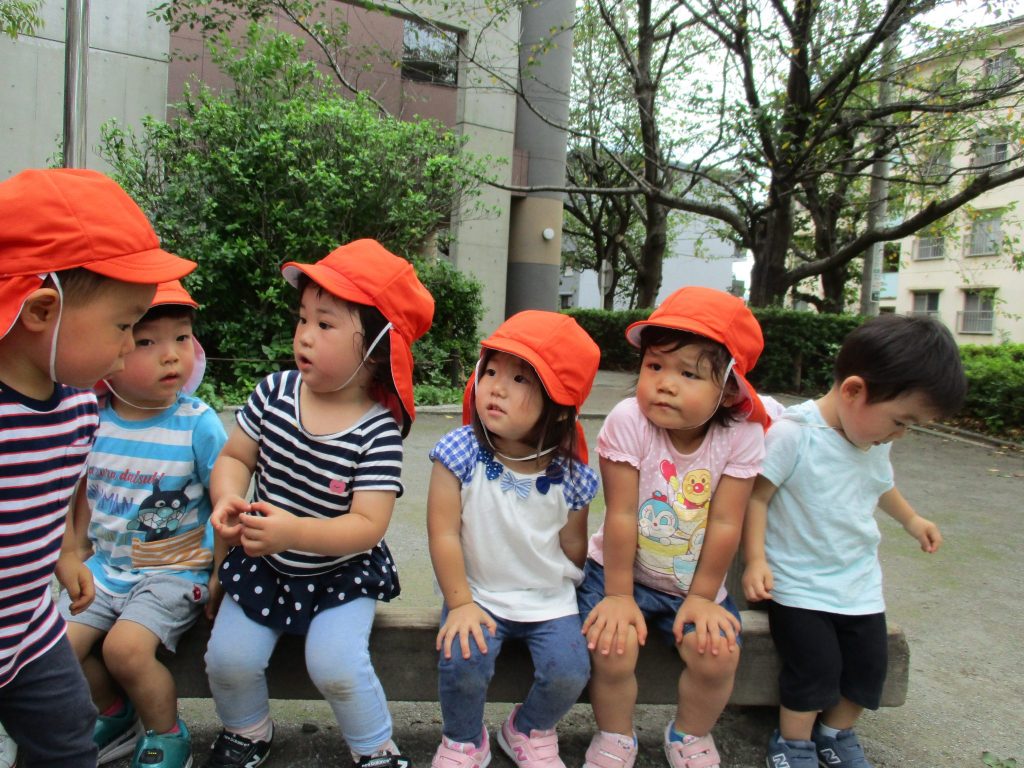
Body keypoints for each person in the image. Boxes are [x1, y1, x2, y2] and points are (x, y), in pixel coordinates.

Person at [203, 239, 434, 768]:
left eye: (325, 325)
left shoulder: (377, 431)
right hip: (266, 561)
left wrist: (294, 533)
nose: (304, 335)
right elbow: (236, 456)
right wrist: (229, 496)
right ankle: (247, 730)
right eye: (303, 318)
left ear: (377, 348)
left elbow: (367, 525)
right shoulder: (274, 393)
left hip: (341, 572)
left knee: (335, 664)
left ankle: (375, 747)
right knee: (228, 659)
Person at [0, 168, 195, 767]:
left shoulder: (82, 401)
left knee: (67, 741)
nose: (129, 343)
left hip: (30, 631)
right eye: (124, 326)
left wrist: (62, 550)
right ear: (40, 309)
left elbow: (61, 487)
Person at [741, 314, 966, 768]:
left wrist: (911, 519)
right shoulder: (796, 435)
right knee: (816, 668)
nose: (901, 434)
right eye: (901, 421)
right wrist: (755, 560)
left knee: (869, 668)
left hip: (858, 584)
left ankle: (834, 734)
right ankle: (793, 744)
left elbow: (879, 485)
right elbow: (756, 498)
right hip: (798, 583)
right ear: (853, 391)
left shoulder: (874, 440)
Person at [577, 287, 770, 768]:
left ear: (728, 389)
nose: (663, 384)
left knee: (717, 653)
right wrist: (618, 595)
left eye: (687, 373)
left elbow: (727, 520)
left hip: (692, 584)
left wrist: (704, 596)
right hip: (620, 573)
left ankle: (689, 734)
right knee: (612, 646)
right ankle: (616, 735)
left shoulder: (741, 437)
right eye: (654, 366)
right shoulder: (629, 421)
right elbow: (620, 513)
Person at [59, 280, 227, 767]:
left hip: (174, 572)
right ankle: (114, 712)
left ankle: (166, 732)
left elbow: (225, 500)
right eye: (147, 341)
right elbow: (79, 498)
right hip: (108, 571)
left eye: (182, 338)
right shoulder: (92, 418)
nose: (171, 356)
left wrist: (221, 573)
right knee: (58, 649)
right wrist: (72, 551)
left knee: (126, 651)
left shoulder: (197, 424)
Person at [427, 311, 601, 768]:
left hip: (548, 599)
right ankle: (464, 739)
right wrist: (460, 601)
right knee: (463, 659)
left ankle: (528, 729)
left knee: (570, 671)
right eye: (489, 372)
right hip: (478, 593)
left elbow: (574, 547)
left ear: (559, 404)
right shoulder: (460, 452)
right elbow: (442, 532)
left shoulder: (573, 477)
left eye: (519, 378)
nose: (495, 387)